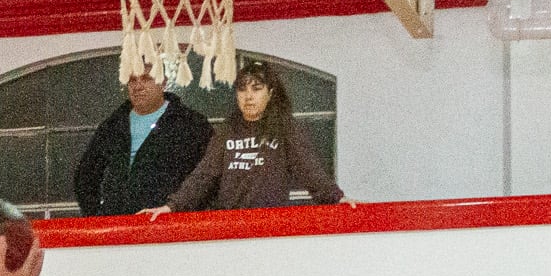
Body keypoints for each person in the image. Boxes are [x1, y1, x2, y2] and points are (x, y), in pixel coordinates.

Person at [147, 61, 349, 215]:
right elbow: (204, 175)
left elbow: (309, 170)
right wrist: (172, 206)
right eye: (242, 89)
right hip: (229, 223)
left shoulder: (286, 128)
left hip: (270, 224)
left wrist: (338, 199)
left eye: (256, 89)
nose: (248, 96)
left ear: (270, 93)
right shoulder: (227, 131)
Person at [72, 70, 213, 218]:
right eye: (132, 80)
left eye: (146, 79)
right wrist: (96, 216)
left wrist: (186, 215)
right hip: (117, 229)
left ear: (163, 82)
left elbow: (209, 177)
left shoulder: (191, 124)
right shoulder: (112, 125)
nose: (138, 86)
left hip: (170, 227)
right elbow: (85, 176)